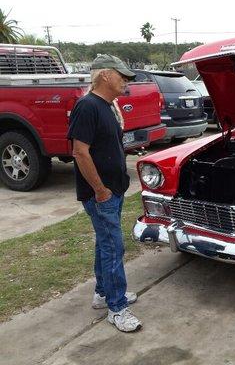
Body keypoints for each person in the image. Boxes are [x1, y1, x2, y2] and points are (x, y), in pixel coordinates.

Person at [67, 54, 142, 332]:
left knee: (104, 243)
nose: (126, 81)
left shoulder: (106, 106)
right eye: (121, 76)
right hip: (101, 195)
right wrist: (99, 190)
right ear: (105, 76)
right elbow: (79, 151)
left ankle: (103, 293)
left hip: (112, 191)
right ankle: (117, 307)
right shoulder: (87, 106)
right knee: (113, 247)